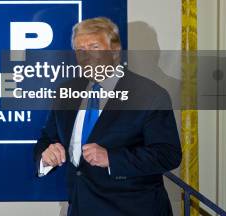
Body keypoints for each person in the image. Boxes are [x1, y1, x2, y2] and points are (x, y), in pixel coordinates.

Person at [34, 17, 182, 215]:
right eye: (80, 50)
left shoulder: (149, 94)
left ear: (114, 51)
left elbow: (167, 154)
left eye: (94, 46)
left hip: (133, 210)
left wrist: (112, 159)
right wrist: (46, 156)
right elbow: (48, 138)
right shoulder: (66, 91)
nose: (87, 56)